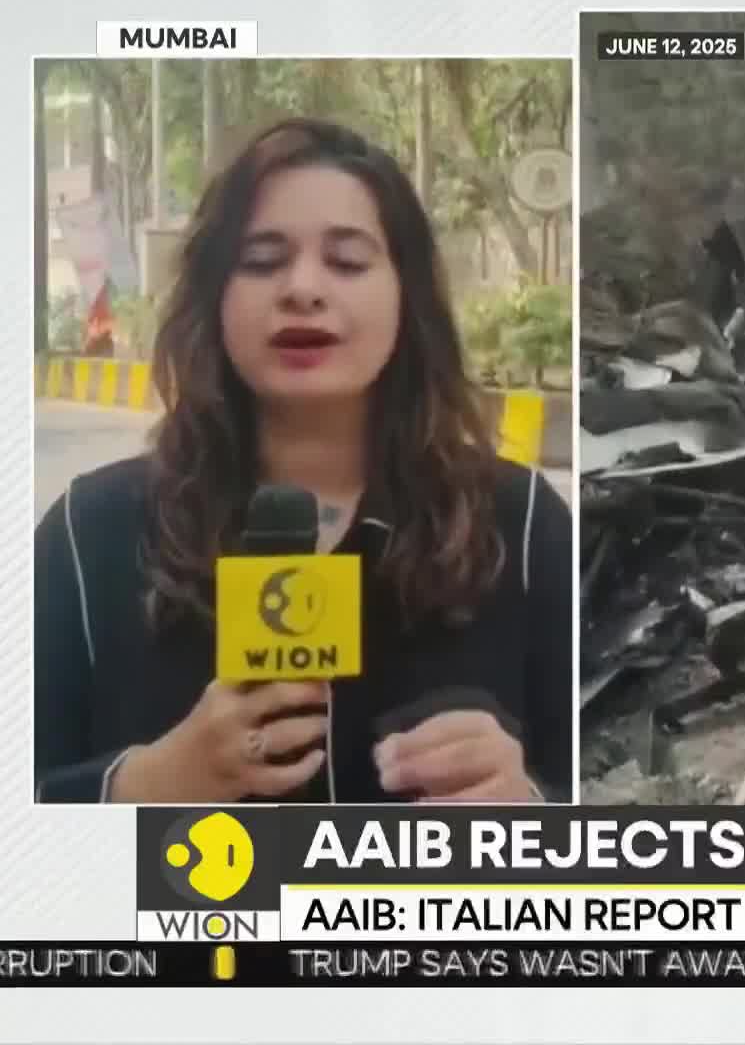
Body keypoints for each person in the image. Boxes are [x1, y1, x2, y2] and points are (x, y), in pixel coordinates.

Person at [34, 117, 574, 804]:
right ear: (214, 296)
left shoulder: (522, 528)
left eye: (348, 261)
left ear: (408, 296)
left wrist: (532, 807)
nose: (303, 289)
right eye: (262, 261)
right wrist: (139, 786)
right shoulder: (87, 537)